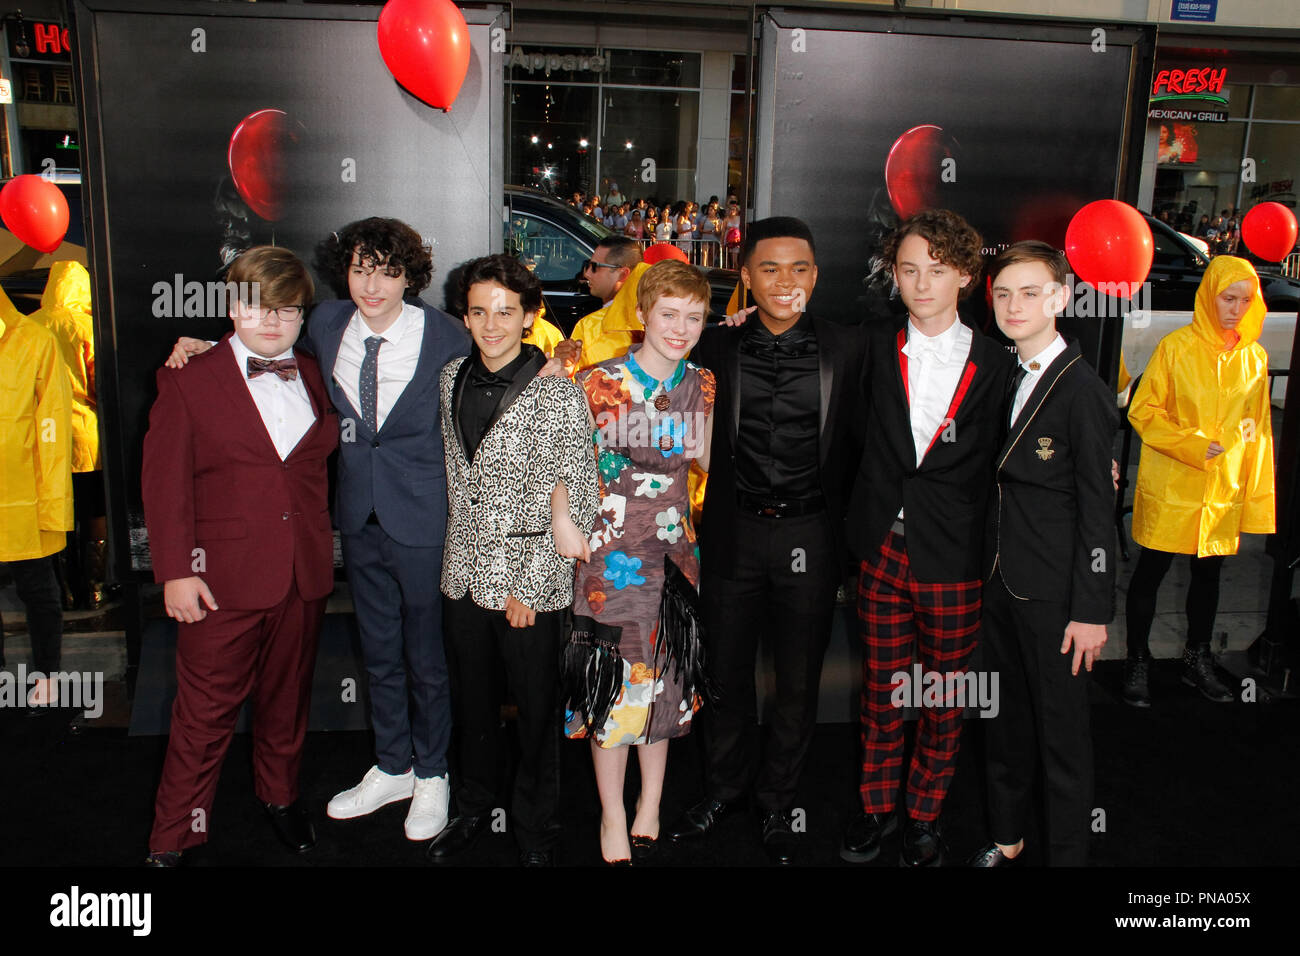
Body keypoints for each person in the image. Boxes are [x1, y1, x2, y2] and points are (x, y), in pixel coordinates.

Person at [168, 218, 470, 844]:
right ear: (343, 273)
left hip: (425, 520)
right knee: (379, 650)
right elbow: (255, 345)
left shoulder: (448, 335)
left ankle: (433, 774)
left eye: (388, 270)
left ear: (411, 276)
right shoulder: (325, 325)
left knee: (428, 655)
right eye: (361, 268)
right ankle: (393, 764)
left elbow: (501, 376)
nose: (373, 284)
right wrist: (201, 345)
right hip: (356, 519)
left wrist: (552, 369)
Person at [666, 217, 868, 865]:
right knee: (722, 673)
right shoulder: (714, 348)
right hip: (733, 533)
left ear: (816, 274)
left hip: (812, 533)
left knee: (798, 679)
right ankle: (723, 788)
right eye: (771, 269)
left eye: (800, 268)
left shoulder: (851, 348)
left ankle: (778, 802)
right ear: (746, 276)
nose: (787, 282)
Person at [142, 247, 339, 866]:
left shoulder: (312, 372)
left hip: (302, 575)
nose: (273, 321)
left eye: (287, 309)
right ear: (232, 307)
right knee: (203, 715)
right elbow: (163, 484)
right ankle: (174, 832)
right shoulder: (187, 378)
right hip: (216, 580)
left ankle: (279, 797)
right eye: (258, 306)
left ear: (302, 315)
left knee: (288, 700)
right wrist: (175, 571)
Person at [841, 209, 1015, 867]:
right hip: (882, 544)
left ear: (965, 277)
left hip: (956, 554)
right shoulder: (869, 346)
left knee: (944, 696)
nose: (920, 284)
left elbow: (1016, 452)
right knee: (883, 691)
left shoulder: (998, 364)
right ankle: (876, 806)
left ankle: (924, 814)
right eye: (908, 270)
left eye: (936, 272)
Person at [428, 254, 598, 866]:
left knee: (535, 713)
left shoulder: (558, 392)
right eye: (479, 311)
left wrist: (531, 586)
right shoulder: (450, 378)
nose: (492, 323)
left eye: (506, 311)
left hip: (530, 586)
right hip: (462, 573)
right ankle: (473, 808)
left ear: (529, 316)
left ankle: (537, 830)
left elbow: (576, 495)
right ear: (465, 316)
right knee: (471, 704)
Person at [561, 259, 715, 865]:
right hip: (609, 554)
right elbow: (565, 464)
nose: (680, 327)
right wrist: (562, 519)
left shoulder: (701, 383)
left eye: (695, 317)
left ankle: (651, 799)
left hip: (675, 552)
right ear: (643, 313)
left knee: (666, 679)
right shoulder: (596, 381)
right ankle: (612, 814)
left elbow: (703, 462)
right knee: (612, 684)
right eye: (669, 314)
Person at [970, 241, 1117, 867]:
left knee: (1062, 735)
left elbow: (1097, 511)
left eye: (1031, 292)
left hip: (1056, 595)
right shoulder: (1000, 375)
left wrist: (1092, 609)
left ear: (1061, 298)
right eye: (1003, 293)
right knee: (1002, 722)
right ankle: (1008, 835)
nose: (1014, 305)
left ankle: (1068, 854)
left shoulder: (1081, 389)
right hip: (995, 582)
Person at [1123, 255, 1275, 706]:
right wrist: (1189, 443)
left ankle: (1197, 658)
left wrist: (1254, 494)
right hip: (1174, 482)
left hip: (1221, 488)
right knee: (1151, 571)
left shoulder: (1254, 357)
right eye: (1229, 298)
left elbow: (1258, 429)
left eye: (1246, 301)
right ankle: (1136, 659)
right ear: (1209, 295)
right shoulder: (1176, 348)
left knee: (1209, 573)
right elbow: (1143, 411)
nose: (1237, 309)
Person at [0, 282, 73, 708]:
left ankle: (47, 674)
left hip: (26, 492)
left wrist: (52, 501)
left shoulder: (36, 341)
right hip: (22, 491)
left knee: (38, 589)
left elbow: (54, 425)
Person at [28, 262, 108, 611]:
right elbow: (97, 384)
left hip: (43, 437)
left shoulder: (28, 326)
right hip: (84, 435)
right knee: (93, 510)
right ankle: (94, 589)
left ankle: (63, 591)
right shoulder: (87, 326)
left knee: (55, 516)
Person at [565, 237, 645, 371]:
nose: (587, 274)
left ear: (623, 274)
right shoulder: (658, 319)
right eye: (587, 265)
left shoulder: (590, 326)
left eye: (595, 267)